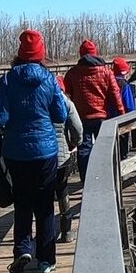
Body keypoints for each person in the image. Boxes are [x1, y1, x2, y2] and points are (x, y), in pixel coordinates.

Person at [0, 29, 67, 273]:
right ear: (41, 53)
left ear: (19, 54)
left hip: (16, 153)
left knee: (22, 203)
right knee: (45, 206)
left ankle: (22, 250)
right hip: (45, 153)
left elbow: (0, 119)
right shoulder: (49, 79)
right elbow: (61, 115)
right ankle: (46, 260)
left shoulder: (8, 80)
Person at [64, 39, 124, 179]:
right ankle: (106, 177)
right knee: (104, 149)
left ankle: (86, 179)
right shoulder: (106, 72)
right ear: (95, 53)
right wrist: (122, 115)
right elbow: (116, 96)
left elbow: (67, 96)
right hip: (102, 116)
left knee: (84, 149)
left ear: (81, 54)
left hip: (81, 117)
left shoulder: (73, 73)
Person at [53, 81, 82, 242]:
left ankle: (44, 233)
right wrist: (75, 143)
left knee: (42, 195)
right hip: (61, 156)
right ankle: (67, 231)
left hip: (39, 158)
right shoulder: (66, 102)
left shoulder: (37, 100)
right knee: (62, 191)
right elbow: (77, 127)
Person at [112, 56, 136, 158]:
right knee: (123, 140)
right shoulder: (124, 85)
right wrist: (133, 115)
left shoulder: (110, 82)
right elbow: (129, 104)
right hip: (123, 117)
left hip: (110, 118)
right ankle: (123, 157)